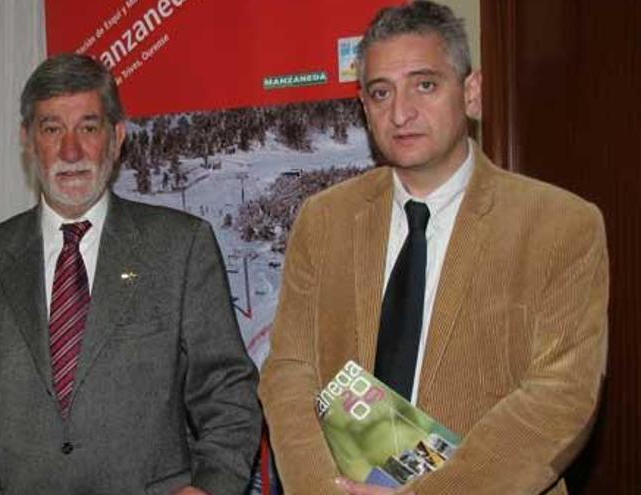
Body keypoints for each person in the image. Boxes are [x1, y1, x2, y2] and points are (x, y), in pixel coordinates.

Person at [258, 1, 608, 494]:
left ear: (470, 92)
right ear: (364, 107)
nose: (401, 113)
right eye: (381, 93)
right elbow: (289, 371)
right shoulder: (324, 220)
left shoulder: (561, 226)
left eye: (425, 85)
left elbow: (562, 399)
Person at [0, 53, 261, 494]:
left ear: (116, 137)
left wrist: (213, 485)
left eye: (88, 128)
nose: (71, 151)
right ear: (28, 141)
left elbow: (227, 389)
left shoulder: (180, 248)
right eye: (52, 129)